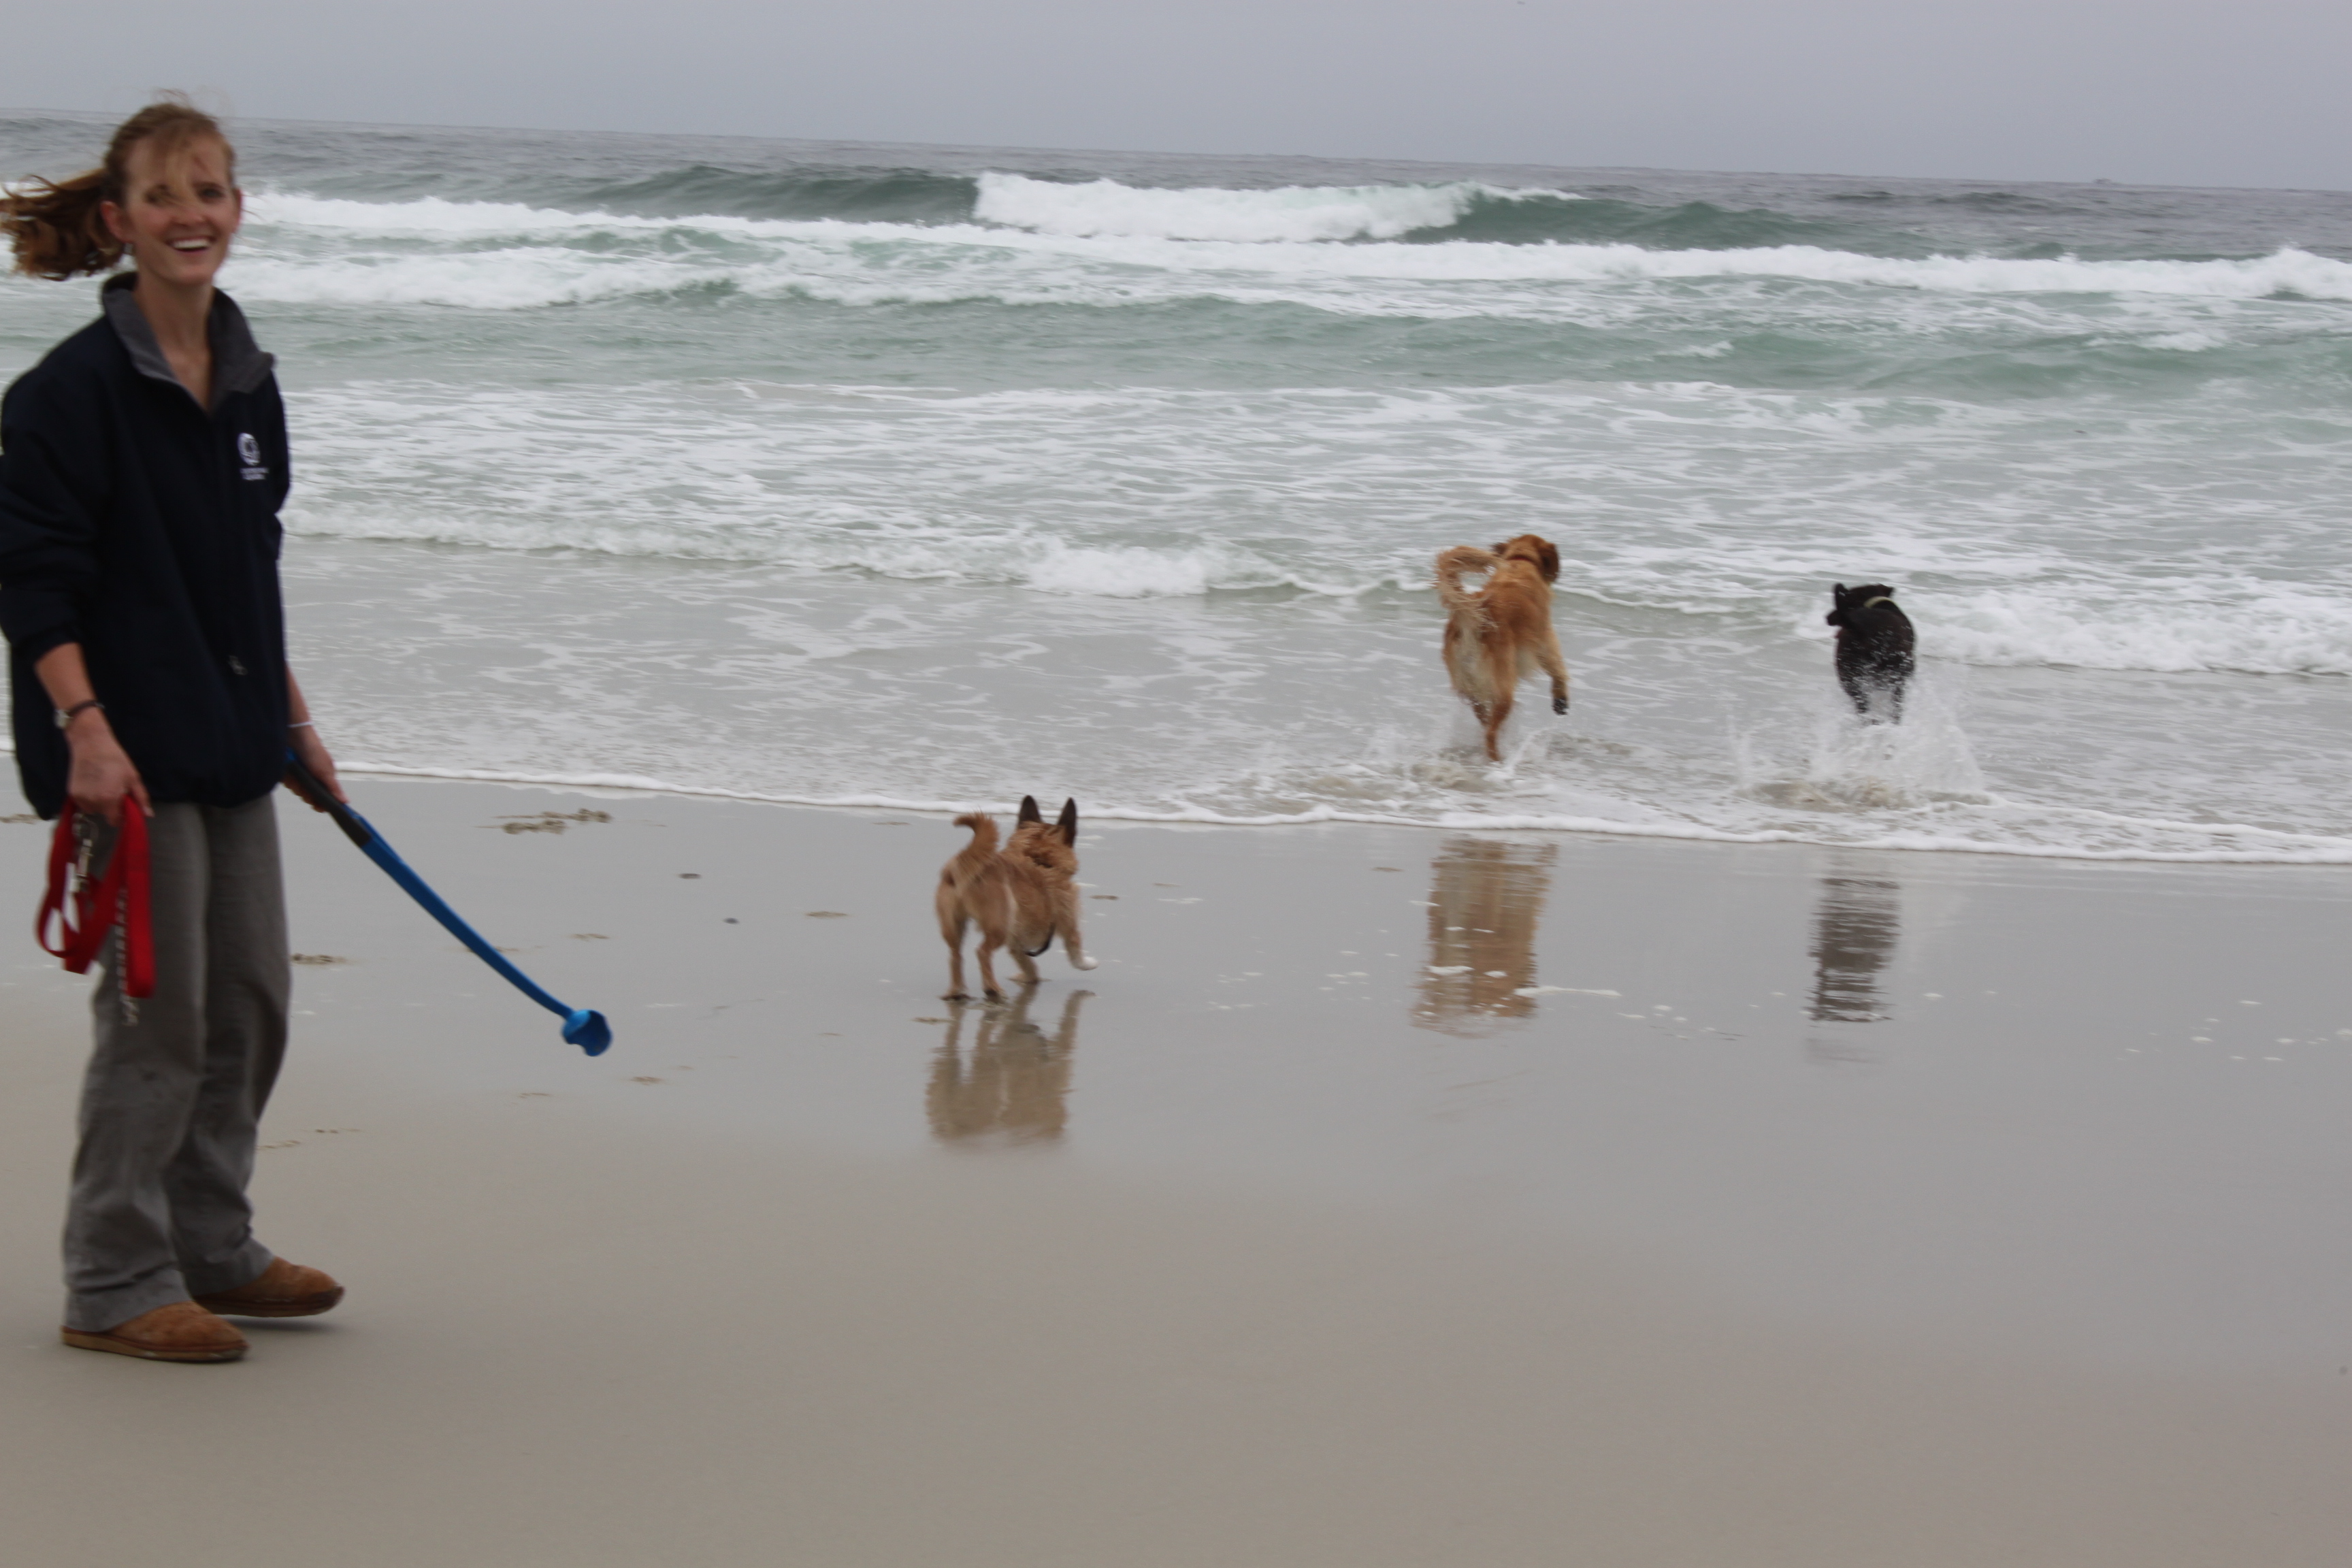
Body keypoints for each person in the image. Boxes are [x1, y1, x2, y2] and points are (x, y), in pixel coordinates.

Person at [1, 99, 348, 1362]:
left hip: (232, 733)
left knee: (249, 1001)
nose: (189, 215)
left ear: (237, 210)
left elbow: (249, 570)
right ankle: (112, 1277)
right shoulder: (66, 395)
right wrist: (86, 733)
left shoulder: (251, 385)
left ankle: (211, 1244)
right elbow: (32, 583)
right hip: (121, 750)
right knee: (159, 1015)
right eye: (163, 195)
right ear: (120, 219)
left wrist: (295, 721)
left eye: (209, 192)